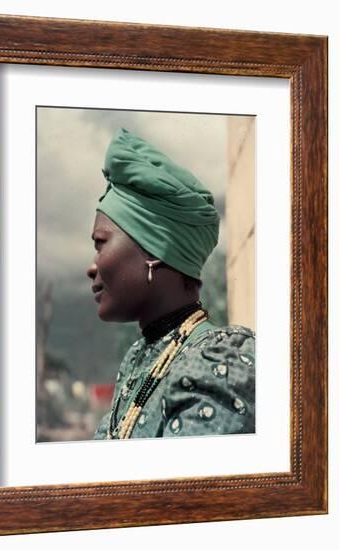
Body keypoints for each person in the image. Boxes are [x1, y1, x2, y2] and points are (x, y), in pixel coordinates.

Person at [87, 128, 255, 440]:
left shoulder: (217, 367)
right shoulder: (142, 357)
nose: (91, 266)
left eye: (101, 243)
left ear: (154, 250)